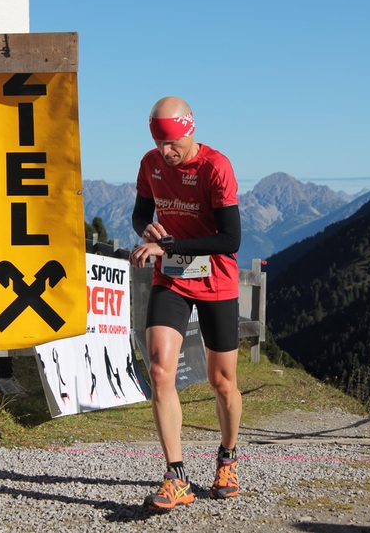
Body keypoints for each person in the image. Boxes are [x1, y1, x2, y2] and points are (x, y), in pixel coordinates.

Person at [130, 96, 242, 512]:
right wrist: (148, 231)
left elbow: (230, 239)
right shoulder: (150, 164)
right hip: (172, 278)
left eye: (172, 143)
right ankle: (176, 476)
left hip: (216, 280)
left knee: (222, 381)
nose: (165, 151)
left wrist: (170, 246)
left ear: (190, 130)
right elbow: (140, 215)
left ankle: (227, 459)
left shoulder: (216, 166)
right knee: (160, 369)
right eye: (158, 143)